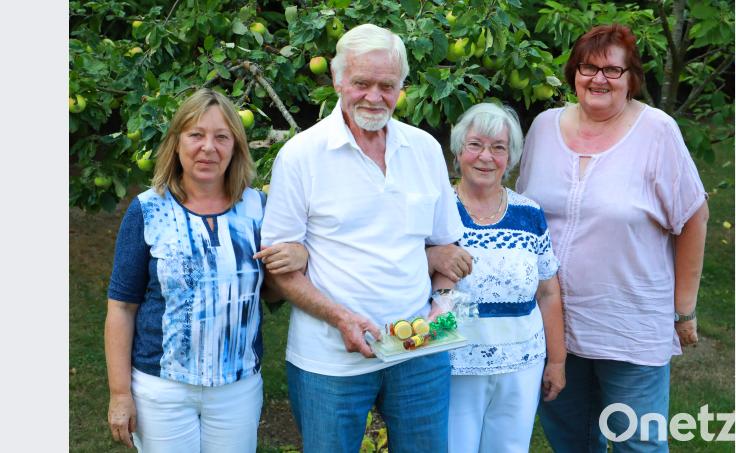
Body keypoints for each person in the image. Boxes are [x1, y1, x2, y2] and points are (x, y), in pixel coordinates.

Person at [259, 23, 466, 452]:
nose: (374, 96)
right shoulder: (301, 156)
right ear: (337, 80)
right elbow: (278, 271)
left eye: (387, 85)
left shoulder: (424, 149)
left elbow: (446, 251)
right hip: (330, 357)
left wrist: (442, 308)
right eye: (361, 83)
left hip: (420, 350)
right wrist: (342, 319)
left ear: (402, 86)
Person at [516, 24, 709, 452]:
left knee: (637, 442)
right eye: (588, 67)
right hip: (553, 324)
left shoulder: (657, 131)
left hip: (629, 325)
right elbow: (525, 215)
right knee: (570, 440)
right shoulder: (544, 128)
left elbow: (694, 217)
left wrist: (684, 310)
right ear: (574, 72)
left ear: (631, 78)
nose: (598, 79)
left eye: (612, 70)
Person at [104, 88, 307, 452]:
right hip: (162, 387)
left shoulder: (258, 209)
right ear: (177, 142)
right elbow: (121, 306)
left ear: (236, 147)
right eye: (196, 135)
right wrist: (120, 393)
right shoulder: (148, 210)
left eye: (221, 137)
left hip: (237, 388)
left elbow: (272, 292)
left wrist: (298, 259)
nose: (208, 147)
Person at [443, 103, 566, 452]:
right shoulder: (439, 209)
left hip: (522, 364)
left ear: (510, 158)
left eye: (498, 147)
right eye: (475, 145)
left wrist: (556, 361)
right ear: (458, 151)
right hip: (455, 363)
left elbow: (547, 291)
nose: (486, 156)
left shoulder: (529, 213)